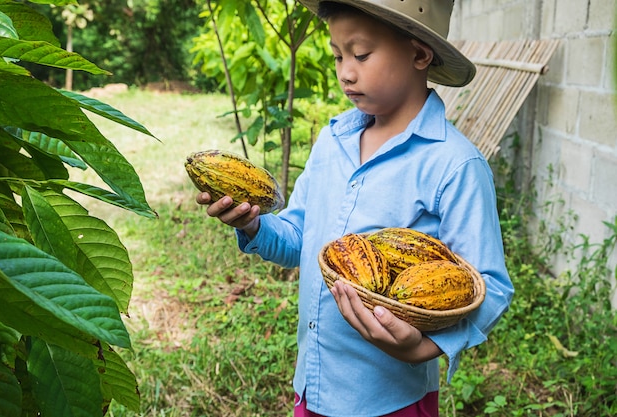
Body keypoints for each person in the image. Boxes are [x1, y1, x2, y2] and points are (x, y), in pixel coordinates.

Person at [196, 1, 514, 416]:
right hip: (314, 386)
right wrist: (254, 226)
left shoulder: (454, 164)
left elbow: (488, 284)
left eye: (361, 54)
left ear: (420, 54)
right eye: (338, 55)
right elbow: (299, 239)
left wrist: (425, 347)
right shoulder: (333, 142)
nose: (346, 71)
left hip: (391, 399)